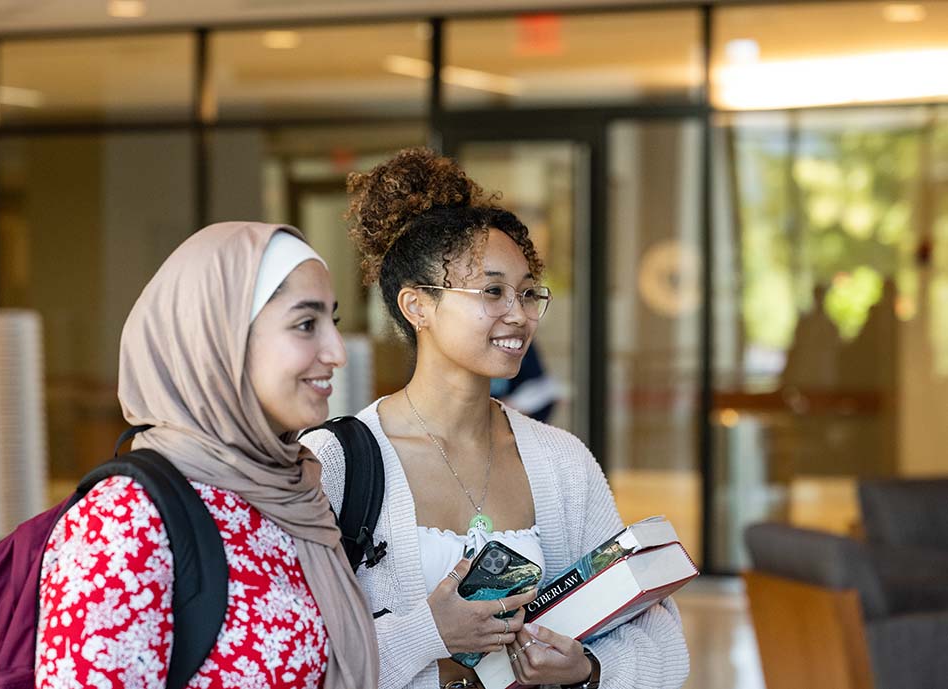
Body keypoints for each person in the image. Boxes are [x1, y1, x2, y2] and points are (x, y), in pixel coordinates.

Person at [301, 149, 689, 689]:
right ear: (418, 307)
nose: (519, 313)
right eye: (492, 291)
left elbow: (660, 640)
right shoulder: (336, 463)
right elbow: (295, 654)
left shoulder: (562, 461)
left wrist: (588, 670)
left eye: (528, 292)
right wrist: (429, 632)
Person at [34, 223, 378, 689]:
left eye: (331, 323)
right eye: (305, 324)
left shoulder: (292, 491)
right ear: (219, 338)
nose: (336, 351)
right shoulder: (124, 520)